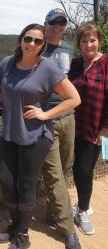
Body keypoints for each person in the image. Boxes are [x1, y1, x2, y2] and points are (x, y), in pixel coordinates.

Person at [0, 24, 80, 249]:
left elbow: (74, 98)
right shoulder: (7, 63)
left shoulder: (47, 68)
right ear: (21, 40)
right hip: (9, 133)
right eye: (28, 39)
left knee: (25, 183)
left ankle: (22, 234)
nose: (32, 44)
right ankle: (15, 224)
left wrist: (45, 113)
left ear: (43, 45)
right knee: (8, 181)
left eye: (38, 41)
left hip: (36, 135)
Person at [41, 8, 82, 249]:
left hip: (69, 115)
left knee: (66, 165)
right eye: (53, 22)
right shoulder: (36, 46)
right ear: (45, 24)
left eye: (61, 22)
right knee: (54, 173)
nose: (57, 26)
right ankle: (68, 230)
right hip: (46, 118)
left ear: (66, 26)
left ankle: (52, 210)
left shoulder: (68, 49)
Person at [68, 23, 108, 235]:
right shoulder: (75, 64)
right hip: (72, 125)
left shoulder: (106, 64)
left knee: (84, 170)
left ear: (99, 41)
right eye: (84, 40)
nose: (89, 44)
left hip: (94, 128)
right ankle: (83, 204)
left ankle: (82, 210)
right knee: (77, 168)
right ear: (79, 44)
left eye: (92, 40)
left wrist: (105, 129)